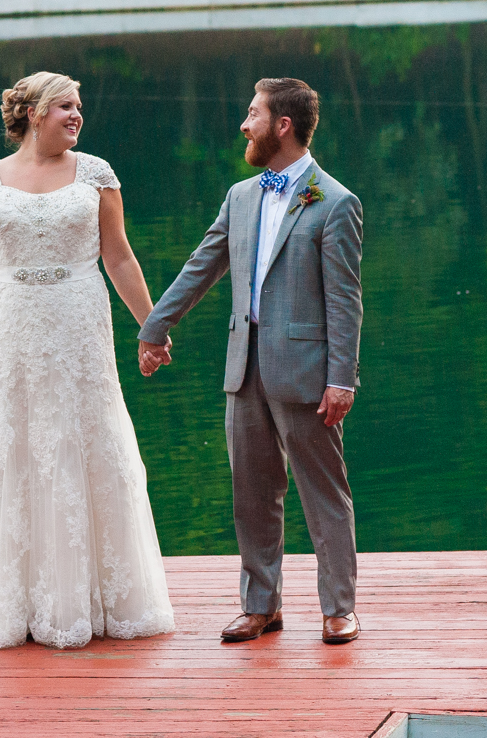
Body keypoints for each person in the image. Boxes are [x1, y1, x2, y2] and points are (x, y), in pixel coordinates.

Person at [0, 71, 175, 649]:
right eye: (65, 105)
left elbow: (119, 258)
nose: (76, 114)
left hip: (79, 326)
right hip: (9, 327)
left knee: (85, 440)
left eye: (79, 106)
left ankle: (96, 599)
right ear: (34, 113)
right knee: (9, 445)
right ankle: (11, 603)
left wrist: (152, 326)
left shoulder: (96, 174)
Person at [138, 78, 364, 645]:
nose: (244, 123)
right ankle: (261, 605)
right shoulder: (242, 196)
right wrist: (154, 326)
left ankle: (339, 608)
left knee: (323, 493)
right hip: (244, 367)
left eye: (253, 114)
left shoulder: (334, 202)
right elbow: (202, 265)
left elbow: (345, 300)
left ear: (282, 125)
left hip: (307, 374)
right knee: (252, 492)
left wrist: (342, 378)